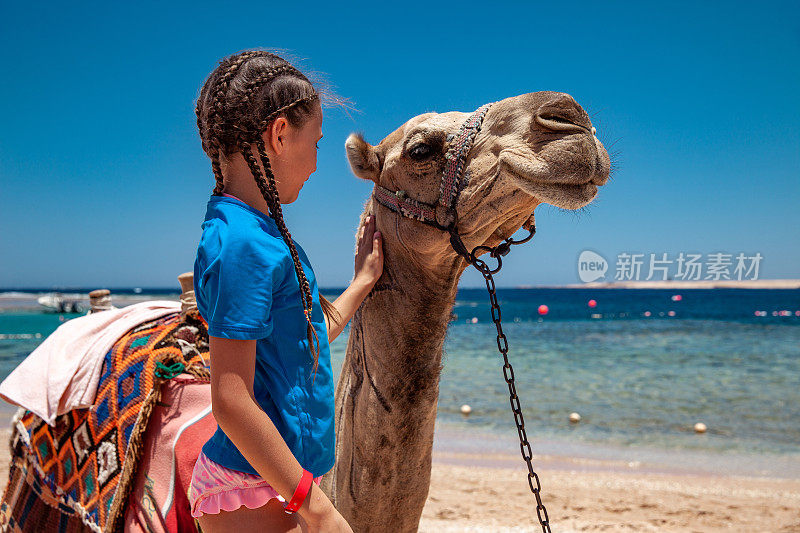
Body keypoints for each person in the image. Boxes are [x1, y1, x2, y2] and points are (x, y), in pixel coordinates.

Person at [189, 49, 382, 532]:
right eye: (315, 143)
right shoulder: (242, 243)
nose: (317, 163)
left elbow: (303, 343)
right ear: (279, 134)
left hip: (280, 481)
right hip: (253, 487)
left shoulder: (261, 233)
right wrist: (317, 510)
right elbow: (230, 400)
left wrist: (361, 283)